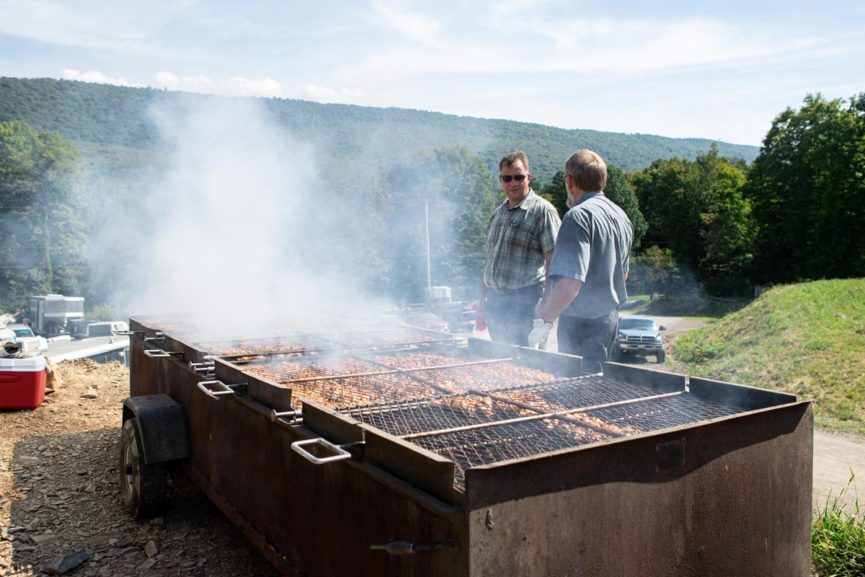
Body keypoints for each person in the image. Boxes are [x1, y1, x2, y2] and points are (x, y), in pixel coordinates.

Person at [529, 149, 633, 372]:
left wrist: (545, 319)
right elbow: (623, 275)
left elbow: (571, 281)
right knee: (597, 388)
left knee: (573, 392)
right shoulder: (622, 216)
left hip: (580, 324)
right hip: (608, 321)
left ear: (569, 180)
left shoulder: (577, 216)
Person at [477, 151, 561, 346]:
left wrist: (546, 308)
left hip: (526, 303)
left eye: (519, 177)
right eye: (507, 178)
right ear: (501, 180)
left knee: (528, 367)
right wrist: (482, 304)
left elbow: (554, 263)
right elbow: (488, 262)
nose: (513, 183)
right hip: (496, 303)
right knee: (501, 364)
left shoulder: (543, 211)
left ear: (528, 177)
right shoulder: (498, 213)